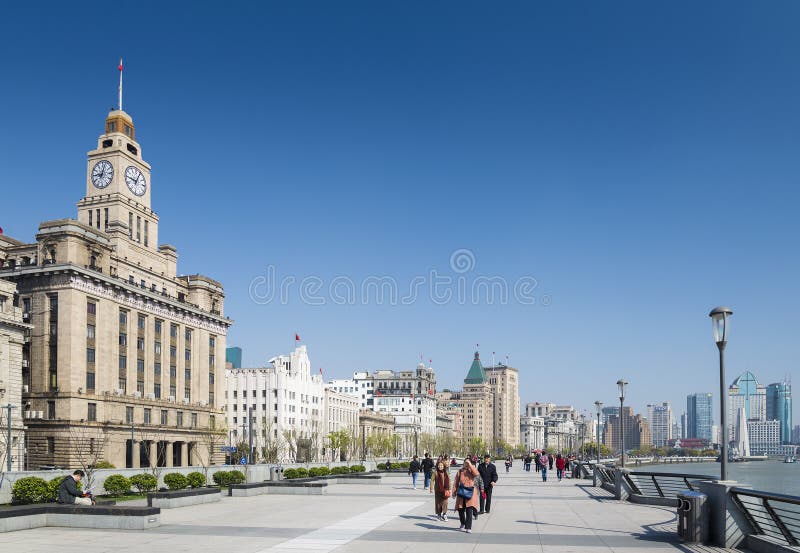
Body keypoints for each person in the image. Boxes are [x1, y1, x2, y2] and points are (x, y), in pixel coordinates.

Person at [452, 457, 480, 533]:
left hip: (470, 493)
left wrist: (470, 465)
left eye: (467, 463)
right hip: (461, 492)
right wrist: (454, 492)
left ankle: (468, 527)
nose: (466, 464)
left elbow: (477, 474)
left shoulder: (472, 471)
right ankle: (463, 523)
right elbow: (456, 482)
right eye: (465, 463)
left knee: (469, 510)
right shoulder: (460, 471)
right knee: (460, 509)